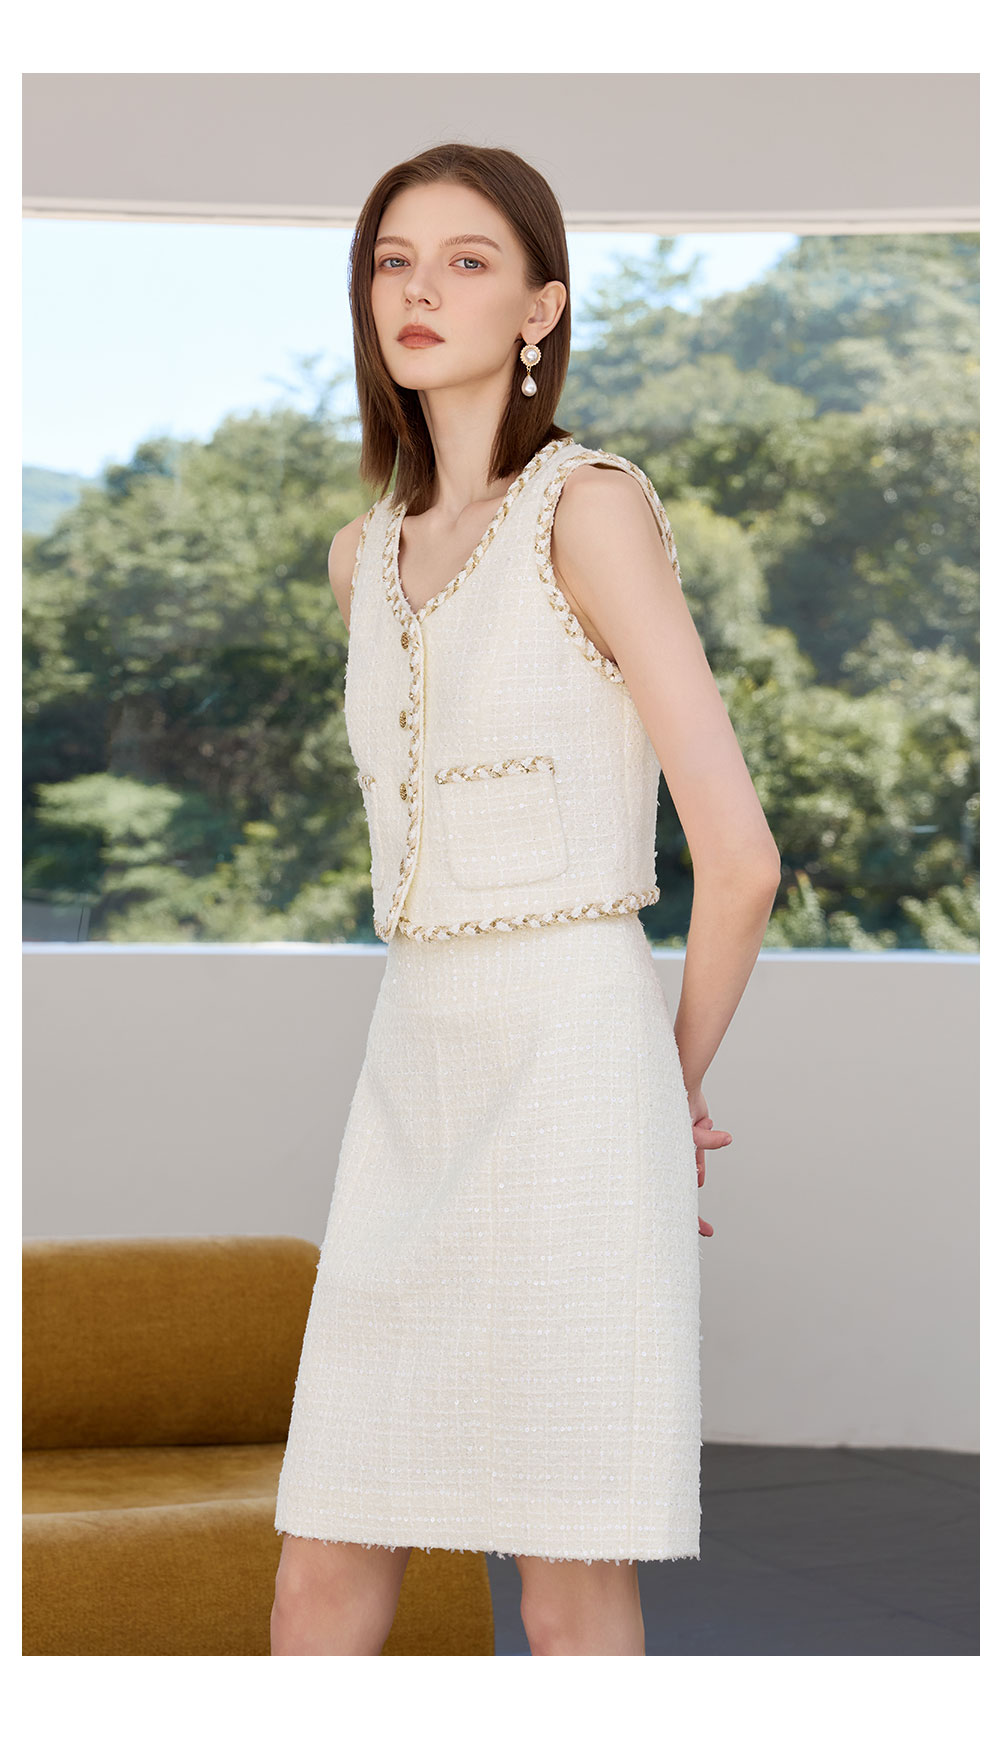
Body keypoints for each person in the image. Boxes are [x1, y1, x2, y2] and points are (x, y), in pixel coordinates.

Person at [270, 143, 780, 1658]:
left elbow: (739, 857)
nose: (418, 290)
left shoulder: (589, 506)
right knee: (322, 1560)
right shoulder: (362, 559)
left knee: (566, 1584)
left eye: (468, 260)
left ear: (541, 307)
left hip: (574, 1070)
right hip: (409, 1074)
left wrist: (660, 1086)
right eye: (393, 261)